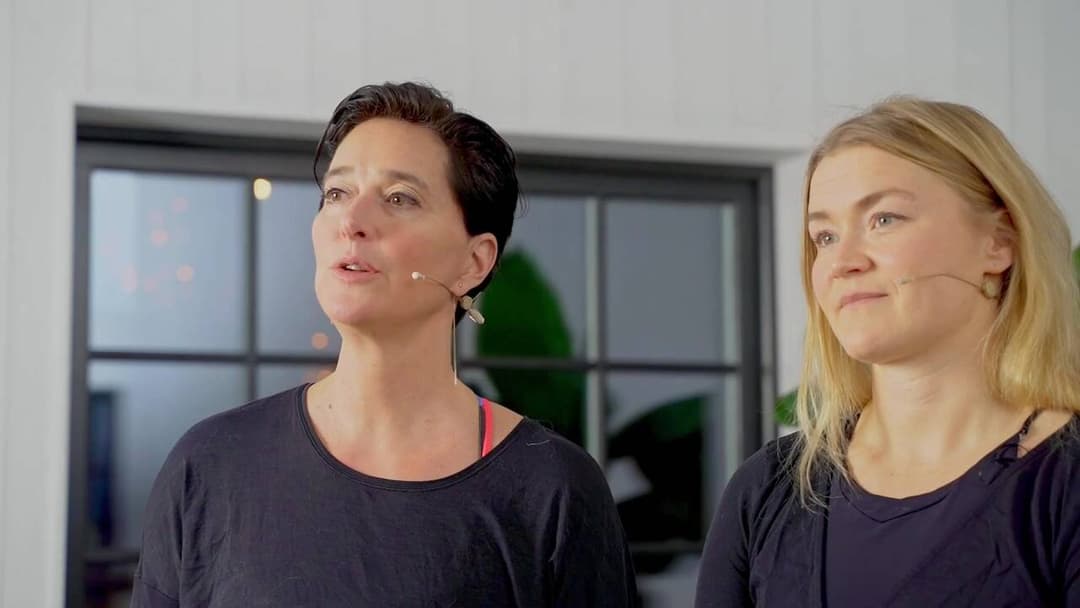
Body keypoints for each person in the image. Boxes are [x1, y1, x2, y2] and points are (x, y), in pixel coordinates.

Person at [132, 82, 638, 607]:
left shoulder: (553, 489)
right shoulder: (210, 464)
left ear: (474, 262)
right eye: (337, 193)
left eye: (399, 198)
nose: (352, 222)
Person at [695, 97, 1080, 607]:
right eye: (824, 236)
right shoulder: (767, 490)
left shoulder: (1066, 483)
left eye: (884, 219)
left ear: (998, 243)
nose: (842, 261)